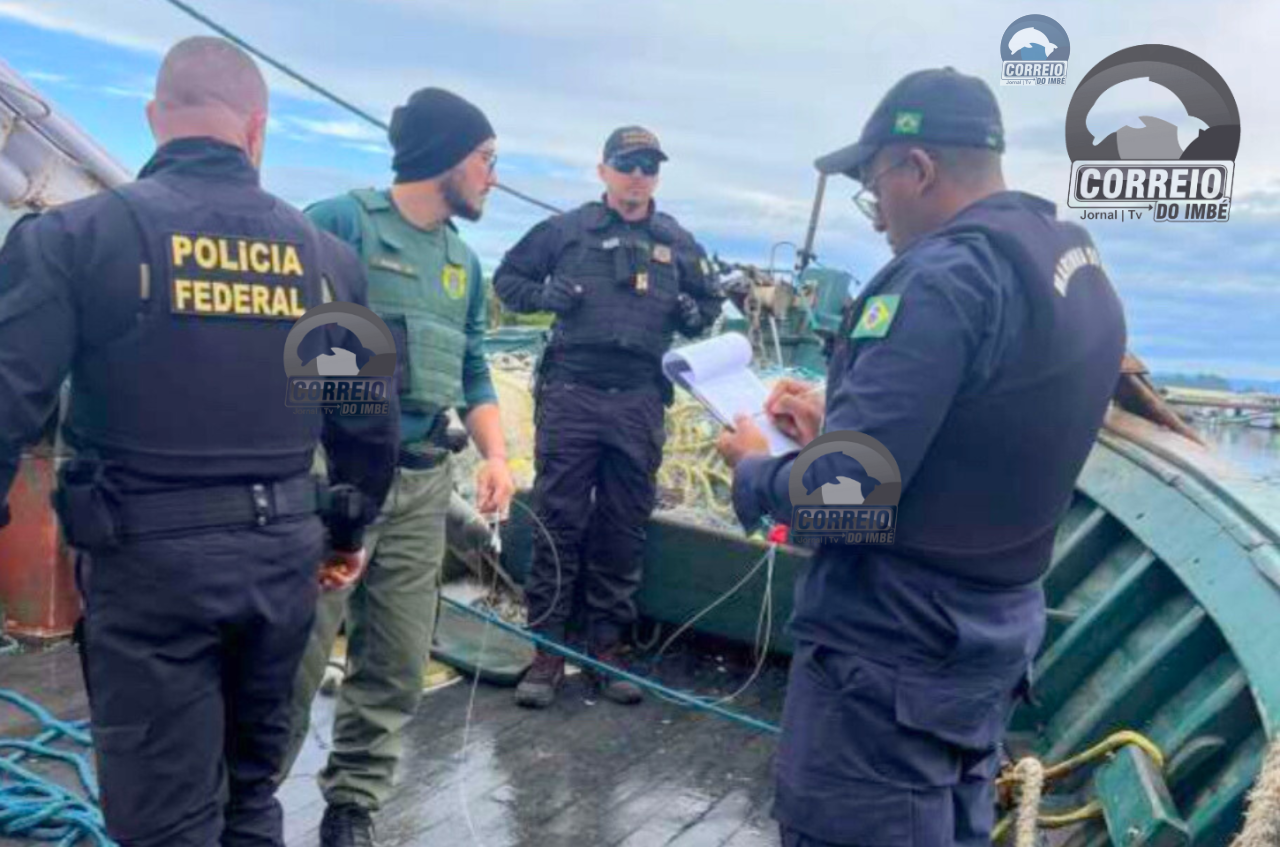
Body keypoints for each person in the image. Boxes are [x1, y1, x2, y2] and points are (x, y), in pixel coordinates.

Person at [0, 37, 397, 847]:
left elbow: (9, 402)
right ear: (257, 130)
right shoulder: (329, 263)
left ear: (155, 118)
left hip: (147, 568)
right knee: (250, 794)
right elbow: (365, 427)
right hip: (283, 564)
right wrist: (345, 535)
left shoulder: (75, 239)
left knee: (165, 817)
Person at [716, 68, 1126, 847]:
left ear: (920, 168)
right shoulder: (1075, 265)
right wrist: (839, 421)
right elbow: (987, 425)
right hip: (987, 645)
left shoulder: (942, 279)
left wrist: (752, 466)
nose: (878, 221)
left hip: (892, 654)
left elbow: (850, 494)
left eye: (876, 190)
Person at [279, 87, 515, 847]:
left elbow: (474, 368)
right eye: (486, 159)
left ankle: (353, 804)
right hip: (337, 479)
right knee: (295, 653)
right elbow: (280, 348)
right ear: (446, 155)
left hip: (422, 483)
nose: (492, 176)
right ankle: (245, 797)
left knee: (398, 659)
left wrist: (498, 455)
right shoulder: (341, 223)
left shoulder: (464, 263)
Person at [493, 126, 723, 709]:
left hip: (639, 398)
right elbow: (508, 280)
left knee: (624, 525)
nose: (638, 174)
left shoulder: (677, 240)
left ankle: (608, 649)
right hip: (572, 393)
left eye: (648, 164)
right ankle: (546, 650)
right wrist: (548, 298)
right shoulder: (566, 231)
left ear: (657, 175)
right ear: (603, 171)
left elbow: (711, 307)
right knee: (558, 521)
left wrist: (695, 314)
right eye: (627, 163)